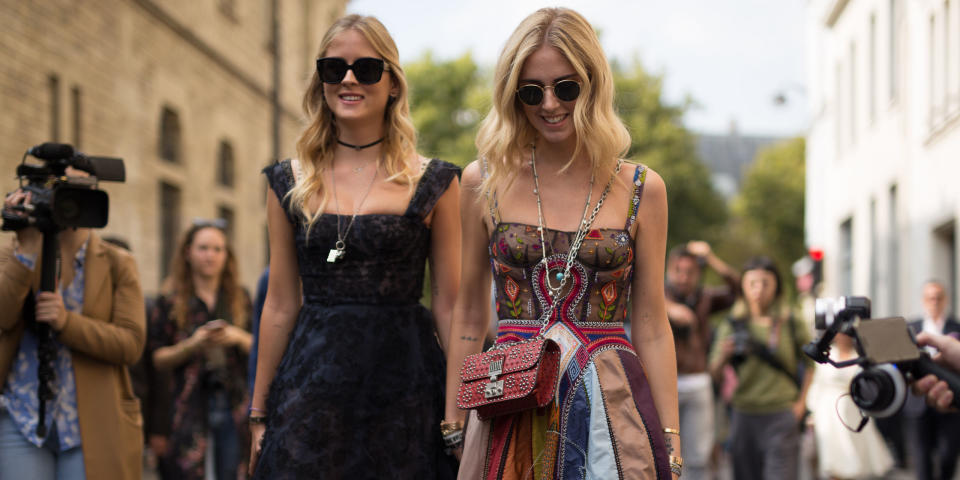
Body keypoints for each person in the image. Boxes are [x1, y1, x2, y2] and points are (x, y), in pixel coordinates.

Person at [444, 8, 679, 479]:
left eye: (565, 87)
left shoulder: (641, 188)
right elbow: (469, 313)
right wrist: (454, 420)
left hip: (611, 403)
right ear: (513, 95)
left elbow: (651, 321)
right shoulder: (481, 181)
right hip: (508, 400)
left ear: (592, 83)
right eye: (532, 91)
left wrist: (670, 438)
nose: (549, 104)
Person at [248, 14, 461, 479]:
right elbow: (281, 304)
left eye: (365, 68)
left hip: (406, 393)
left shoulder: (436, 181)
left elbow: (450, 305)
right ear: (320, 80)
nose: (348, 78)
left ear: (392, 84)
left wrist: (458, 410)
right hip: (310, 396)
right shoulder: (288, 181)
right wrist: (259, 413)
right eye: (333, 68)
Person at [0, 185, 146, 479]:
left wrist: (67, 323)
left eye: (79, 190)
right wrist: (26, 249)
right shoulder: (13, 255)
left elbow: (131, 345)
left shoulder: (118, 262)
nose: (68, 200)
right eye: (58, 188)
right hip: (21, 416)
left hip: (92, 422)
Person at [147, 220, 252, 480]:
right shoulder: (170, 300)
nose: (210, 255)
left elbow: (262, 349)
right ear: (188, 252)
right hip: (187, 406)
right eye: (203, 248)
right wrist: (192, 344)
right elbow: (156, 358)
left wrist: (237, 337)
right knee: (187, 472)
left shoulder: (240, 298)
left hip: (233, 403)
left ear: (227, 255)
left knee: (233, 471)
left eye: (218, 249)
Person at [709, 256, 813, 480]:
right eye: (752, 283)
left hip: (781, 414)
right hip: (743, 416)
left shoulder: (791, 321)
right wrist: (724, 357)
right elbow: (715, 373)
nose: (759, 289)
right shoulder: (732, 323)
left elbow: (811, 362)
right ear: (743, 287)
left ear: (777, 286)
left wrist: (801, 403)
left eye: (766, 283)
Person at [665, 240, 739, 480]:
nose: (684, 278)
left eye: (690, 272)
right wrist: (669, 308)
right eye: (678, 271)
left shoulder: (706, 297)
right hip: (665, 385)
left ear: (698, 274)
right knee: (664, 455)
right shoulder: (657, 295)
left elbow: (738, 289)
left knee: (698, 457)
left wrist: (711, 258)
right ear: (668, 270)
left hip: (698, 383)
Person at [805, 333, 893, 479]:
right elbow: (817, 383)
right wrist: (812, 411)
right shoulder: (826, 353)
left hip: (852, 408)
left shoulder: (858, 357)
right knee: (832, 452)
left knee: (853, 450)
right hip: (828, 411)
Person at [903, 280, 960, 480]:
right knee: (921, 459)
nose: (934, 302)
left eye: (938, 298)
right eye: (930, 298)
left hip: (951, 398)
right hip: (918, 405)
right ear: (923, 301)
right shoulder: (910, 327)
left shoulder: (957, 327)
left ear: (946, 300)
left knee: (948, 456)